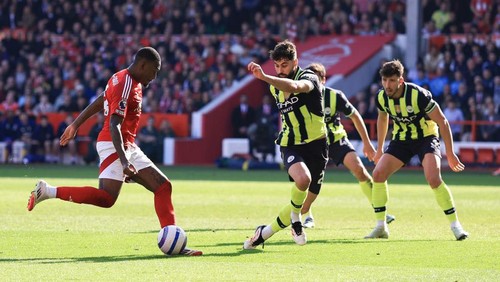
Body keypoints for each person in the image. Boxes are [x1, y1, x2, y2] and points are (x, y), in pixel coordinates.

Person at [26, 47, 202, 256]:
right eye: (154, 71)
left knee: (162, 187)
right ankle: (48, 191)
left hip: (124, 144)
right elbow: (114, 125)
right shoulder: (126, 83)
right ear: (143, 65)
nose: (155, 77)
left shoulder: (121, 79)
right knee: (108, 198)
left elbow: (102, 99)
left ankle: (173, 241)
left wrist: (75, 124)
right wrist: (124, 161)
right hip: (115, 143)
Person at [366, 59, 468, 241]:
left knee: (433, 178)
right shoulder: (381, 97)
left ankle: (455, 225)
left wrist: (450, 153)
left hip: (426, 138)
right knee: (378, 174)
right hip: (402, 139)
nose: (387, 85)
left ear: (400, 80)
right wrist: (380, 148)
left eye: (391, 81)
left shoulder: (418, 95)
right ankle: (381, 226)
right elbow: (383, 119)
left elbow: (442, 121)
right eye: (384, 80)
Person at [243, 40, 328, 249]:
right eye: (277, 66)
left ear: (295, 62)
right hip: (292, 143)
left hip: (317, 145)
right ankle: (296, 221)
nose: (281, 71)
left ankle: (263, 233)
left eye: (285, 65)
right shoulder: (275, 87)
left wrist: (264, 77)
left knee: (303, 203)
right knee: (302, 179)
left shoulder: (310, 78)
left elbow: (296, 87)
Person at [301, 62, 395, 229]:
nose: (312, 81)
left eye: (316, 78)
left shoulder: (334, 96)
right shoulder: (301, 97)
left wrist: (366, 143)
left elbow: (355, 116)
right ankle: (307, 215)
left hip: (336, 140)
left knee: (360, 170)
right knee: (306, 179)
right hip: (313, 142)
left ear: (323, 80)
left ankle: (379, 210)